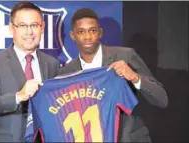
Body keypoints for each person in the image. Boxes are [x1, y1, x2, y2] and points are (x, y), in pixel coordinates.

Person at [59, 8, 168, 142]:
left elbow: (162, 99)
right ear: (72, 35)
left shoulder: (125, 56)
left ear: (100, 33)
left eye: (92, 30)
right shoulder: (67, 72)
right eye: (81, 32)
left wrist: (134, 77)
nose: (87, 36)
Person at [0, 1, 60, 142]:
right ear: (11, 28)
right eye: (23, 26)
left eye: (34, 25)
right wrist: (18, 96)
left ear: (42, 27)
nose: (29, 32)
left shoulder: (52, 64)